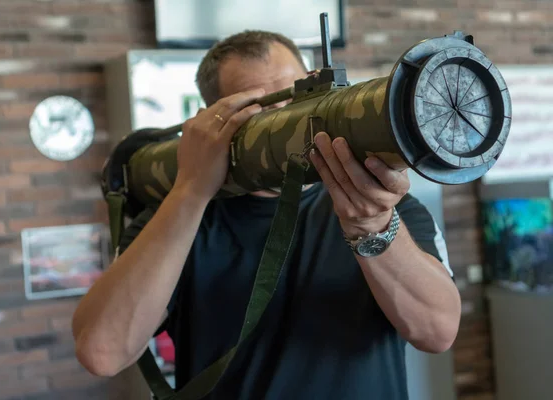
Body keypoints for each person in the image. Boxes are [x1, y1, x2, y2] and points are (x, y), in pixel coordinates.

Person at [72, 30, 462, 399]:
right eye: (260, 110)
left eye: (294, 97)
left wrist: (375, 229)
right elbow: (102, 351)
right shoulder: (180, 218)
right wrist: (191, 191)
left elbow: (437, 332)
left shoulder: (379, 203)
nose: (286, 119)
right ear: (216, 122)